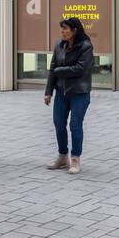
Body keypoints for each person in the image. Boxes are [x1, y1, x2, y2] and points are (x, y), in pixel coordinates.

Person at [44, 17, 95, 174]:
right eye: (61, 29)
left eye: (65, 29)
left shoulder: (86, 47)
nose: (62, 32)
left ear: (74, 31)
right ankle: (62, 156)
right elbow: (52, 68)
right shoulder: (59, 46)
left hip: (79, 92)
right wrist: (48, 92)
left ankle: (75, 159)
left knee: (75, 125)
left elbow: (80, 69)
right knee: (58, 123)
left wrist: (60, 71)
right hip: (61, 91)